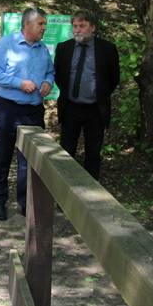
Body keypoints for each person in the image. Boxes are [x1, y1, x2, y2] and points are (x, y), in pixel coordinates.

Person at [0, 7, 55, 220]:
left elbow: (50, 72)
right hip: (9, 108)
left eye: (44, 24)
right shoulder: (7, 44)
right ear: (26, 25)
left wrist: (48, 82)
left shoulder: (42, 49)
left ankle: (26, 203)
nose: (44, 28)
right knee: (3, 154)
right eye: (40, 24)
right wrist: (19, 83)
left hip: (34, 110)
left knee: (30, 158)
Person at [53, 10, 120, 180]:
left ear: (93, 27)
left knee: (93, 151)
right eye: (75, 26)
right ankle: (65, 186)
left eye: (82, 26)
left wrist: (99, 95)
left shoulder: (107, 49)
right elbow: (59, 76)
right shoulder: (64, 48)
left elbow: (113, 78)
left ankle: (91, 189)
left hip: (95, 109)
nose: (77, 30)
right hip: (70, 107)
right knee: (66, 149)